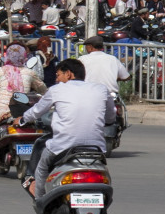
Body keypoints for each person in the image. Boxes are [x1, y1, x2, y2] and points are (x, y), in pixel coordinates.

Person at [14, 58, 115, 198]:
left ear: (68, 74)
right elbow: (110, 117)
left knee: (42, 168)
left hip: (63, 146)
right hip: (96, 148)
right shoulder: (101, 89)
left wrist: (23, 119)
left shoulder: (56, 90)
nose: (56, 79)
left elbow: (37, 111)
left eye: (58, 75)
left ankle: (39, 198)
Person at [0, 44, 47, 149]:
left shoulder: (0, 71)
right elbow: (43, 89)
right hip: (22, 110)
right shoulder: (30, 72)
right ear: (24, 56)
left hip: (0, 110)